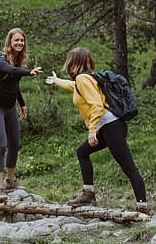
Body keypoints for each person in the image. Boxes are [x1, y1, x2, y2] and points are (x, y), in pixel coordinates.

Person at [46, 47, 148, 212]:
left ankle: (142, 208)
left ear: (73, 62)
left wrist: (92, 131)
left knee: (129, 167)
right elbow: (73, 87)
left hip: (110, 127)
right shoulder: (86, 78)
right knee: (82, 152)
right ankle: (88, 194)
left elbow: (97, 105)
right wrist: (56, 81)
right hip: (109, 127)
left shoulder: (83, 79)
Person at [0, 28, 42, 192]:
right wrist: (29, 72)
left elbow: (14, 85)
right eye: (16, 40)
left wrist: (22, 104)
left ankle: (11, 181)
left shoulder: (18, 61)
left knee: (15, 144)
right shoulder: (1, 61)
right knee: (1, 145)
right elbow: (10, 71)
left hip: (10, 108)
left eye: (22, 40)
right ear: (9, 42)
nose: (19, 43)